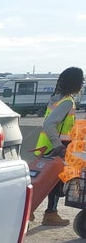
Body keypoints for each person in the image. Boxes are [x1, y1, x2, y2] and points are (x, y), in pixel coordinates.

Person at [33, 66, 84, 226]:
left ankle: (42, 212)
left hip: (45, 147)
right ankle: (49, 213)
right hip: (56, 148)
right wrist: (58, 145)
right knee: (56, 182)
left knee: (47, 182)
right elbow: (49, 124)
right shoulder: (67, 102)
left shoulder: (57, 98)